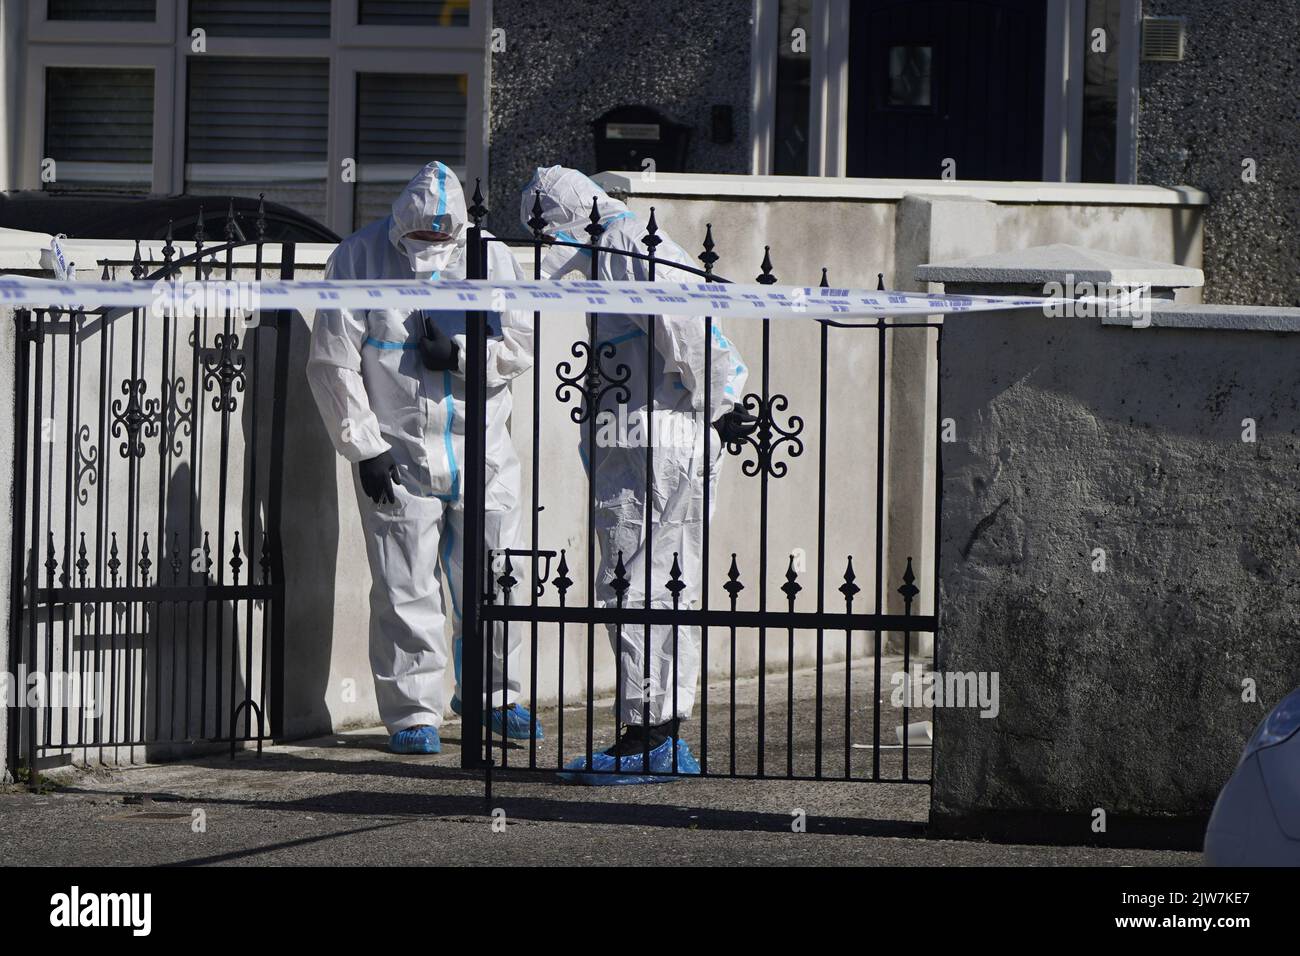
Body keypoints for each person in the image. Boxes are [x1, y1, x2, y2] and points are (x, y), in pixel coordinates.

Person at [520, 166, 756, 782]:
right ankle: (660, 731)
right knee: (663, 580)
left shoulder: (625, 244)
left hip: (657, 441)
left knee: (639, 580)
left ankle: (648, 733)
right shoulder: (612, 250)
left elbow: (689, 329)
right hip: (646, 438)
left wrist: (722, 401)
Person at [308, 161, 542, 754]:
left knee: (498, 576)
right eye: (421, 240)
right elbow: (334, 360)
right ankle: (414, 712)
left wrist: (463, 355)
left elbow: (522, 343)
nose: (431, 250)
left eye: (442, 240)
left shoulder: (491, 259)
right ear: (399, 227)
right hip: (399, 455)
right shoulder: (358, 259)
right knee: (404, 584)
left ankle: (494, 696)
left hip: (481, 448)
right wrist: (364, 445)